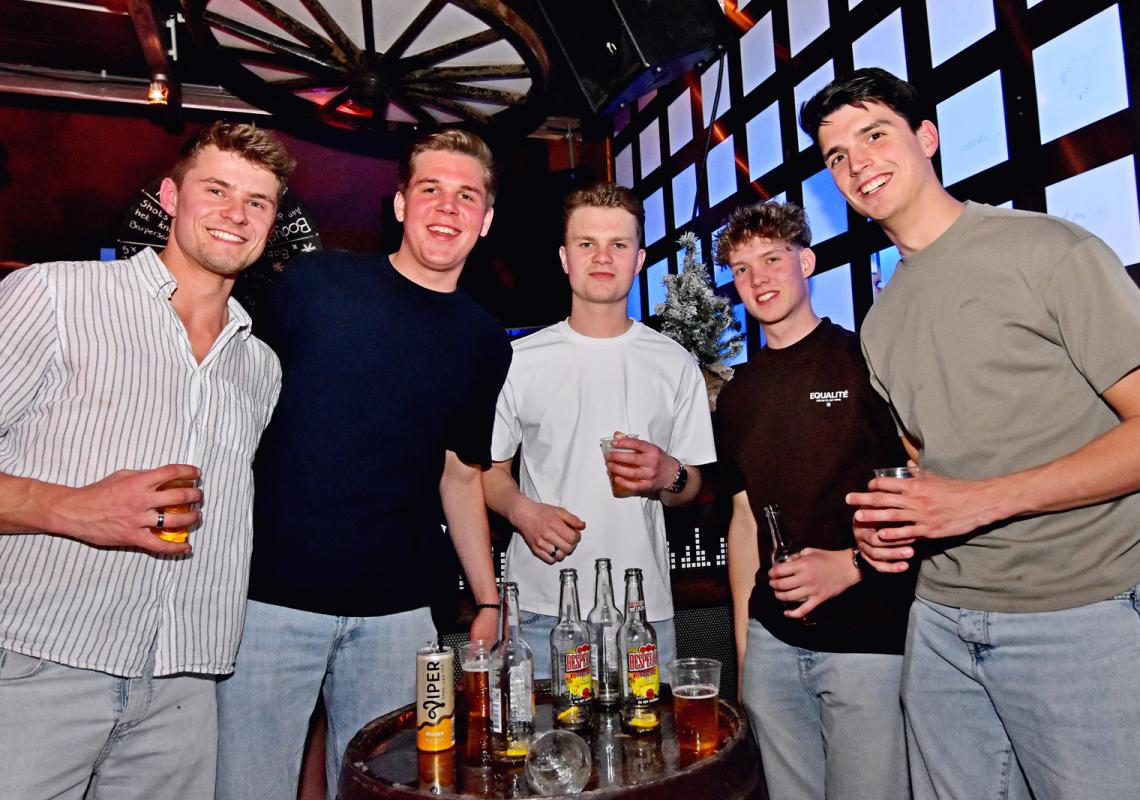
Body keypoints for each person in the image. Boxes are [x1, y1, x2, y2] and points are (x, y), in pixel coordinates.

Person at [801, 67, 1140, 800]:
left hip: (1081, 617)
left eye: (875, 134)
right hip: (939, 625)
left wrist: (980, 500)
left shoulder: (1046, 251)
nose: (857, 164)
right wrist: (892, 529)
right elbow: (931, 473)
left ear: (927, 137)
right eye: (837, 156)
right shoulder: (880, 322)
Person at [215, 129, 510, 800]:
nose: (448, 207)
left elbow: (460, 473)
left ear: (486, 220)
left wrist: (487, 597)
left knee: (393, 790)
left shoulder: (485, 341)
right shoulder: (315, 284)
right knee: (247, 788)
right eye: (430, 189)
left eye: (467, 196)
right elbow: (236, 410)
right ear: (401, 205)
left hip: (400, 619)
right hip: (269, 603)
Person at [0, 121, 291, 799]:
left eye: (257, 201)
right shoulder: (56, 297)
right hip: (39, 665)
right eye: (216, 190)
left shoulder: (259, 365)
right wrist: (71, 509)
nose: (236, 213)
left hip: (184, 686)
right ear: (170, 196)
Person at [713, 200, 914, 799]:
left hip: (867, 638)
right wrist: (747, 652)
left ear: (806, 262)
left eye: (772, 259)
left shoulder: (865, 362)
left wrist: (851, 564)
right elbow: (743, 520)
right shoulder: (739, 394)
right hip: (772, 647)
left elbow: (921, 483)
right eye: (743, 269)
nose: (759, 278)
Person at [482, 182, 716, 676]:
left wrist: (669, 474)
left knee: (653, 731)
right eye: (587, 243)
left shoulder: (675, 364)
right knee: (540, 731)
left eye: (619, 244)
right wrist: (523, 511)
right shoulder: (518, 360)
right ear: (564, 257)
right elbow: (488, 472)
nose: (603, 257)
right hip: (540, 610)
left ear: (639, 259)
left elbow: (691, 485)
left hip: (643, 613)